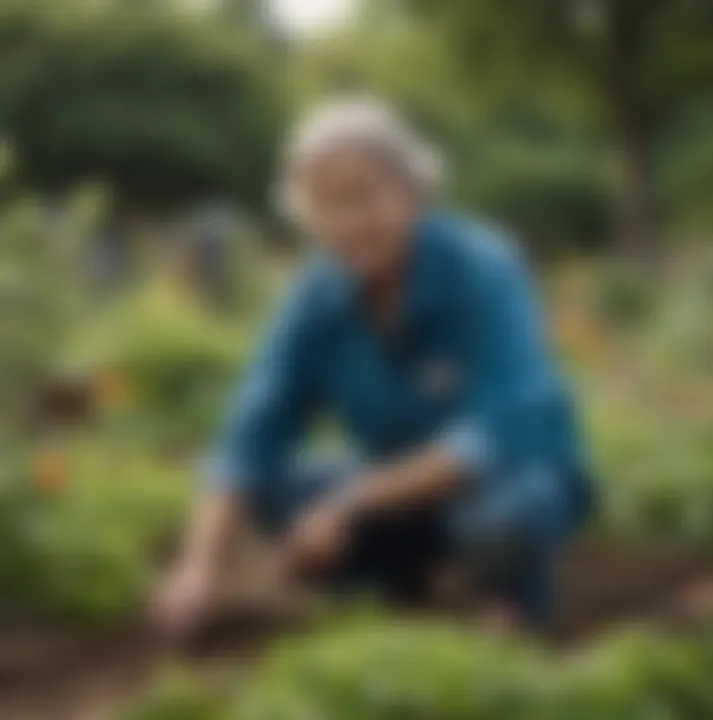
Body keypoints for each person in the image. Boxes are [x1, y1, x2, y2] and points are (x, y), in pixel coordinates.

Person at [152, 97, 593, 636]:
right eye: (326, 205)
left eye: (364, 196)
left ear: (412, 192)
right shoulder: (316, 295)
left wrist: (348, 505)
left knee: (504, 518)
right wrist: (201, 566)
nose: (349, 222)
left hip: (505, 476)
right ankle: (392, 584)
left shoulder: (484, 267)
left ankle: (509, 605)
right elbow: (251, 436)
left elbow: (495, 433)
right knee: (273, 490)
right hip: (390, 489)